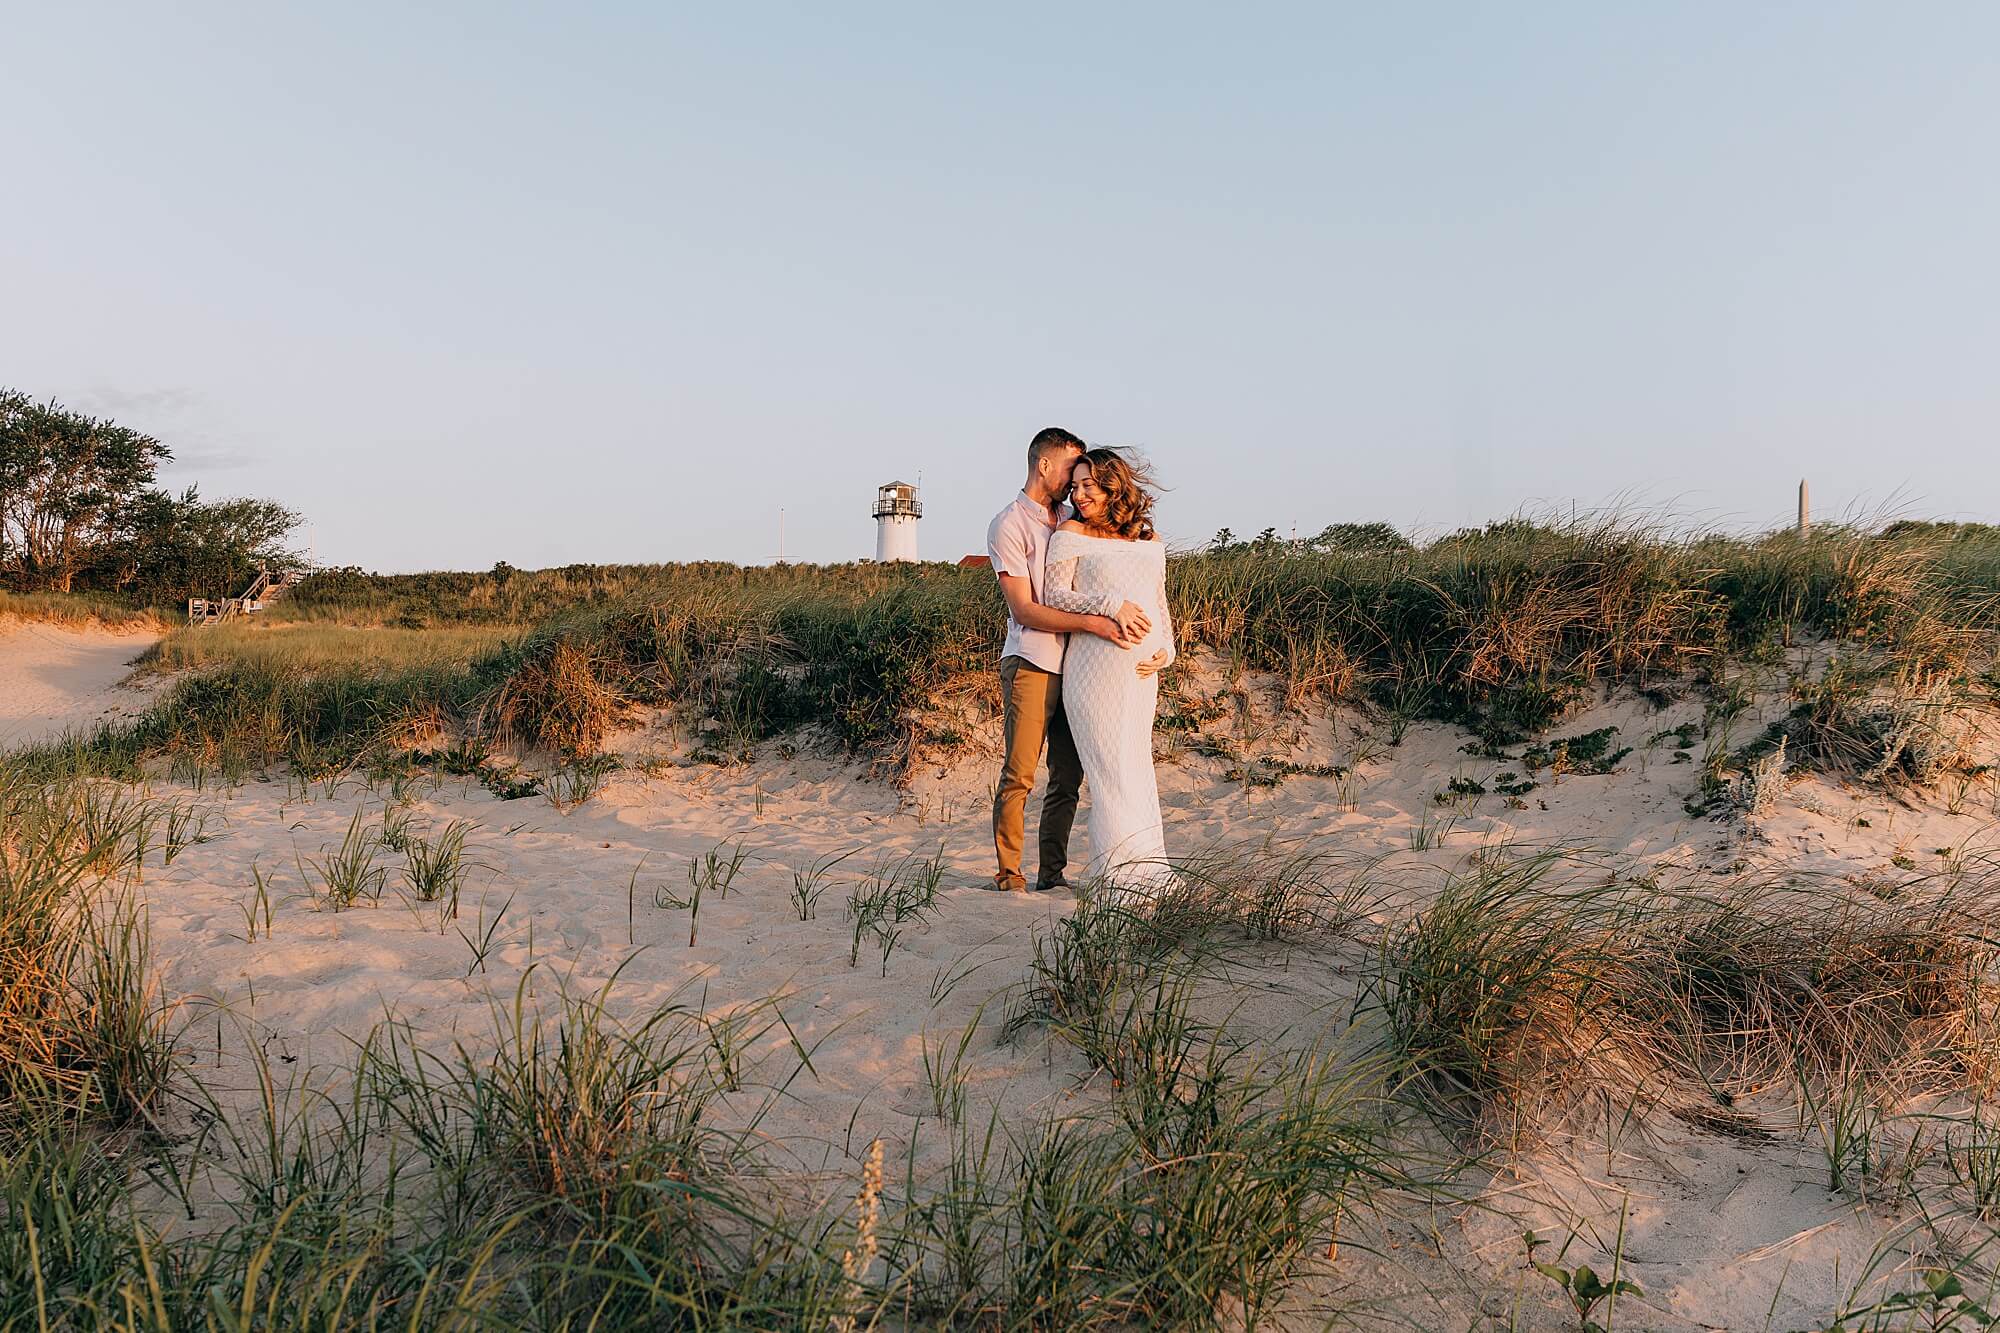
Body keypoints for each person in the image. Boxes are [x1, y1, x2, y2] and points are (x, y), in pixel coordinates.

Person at [985, 428, 1162, 893]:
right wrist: (1100, 621)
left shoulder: (1071, 515)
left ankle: (1052, 874)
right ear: (1045, 465)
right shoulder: (1009, 525)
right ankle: (1009, 873)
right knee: (1021, 771)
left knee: (1068, 777)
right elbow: (1026, 608)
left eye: (1086, 477)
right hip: (1034, 660)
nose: (1075, 482)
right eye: (1070, 469)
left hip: (1082, 667)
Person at [1040, 448, 1177, 894]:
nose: (1078, 495)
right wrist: (1110, 605)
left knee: (1137, 768)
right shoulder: (1071, 532)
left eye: (1088, 486)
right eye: (1075, 486)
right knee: (1110, 773)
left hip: (1141, 676)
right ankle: (1121, 878)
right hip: (1092, 673)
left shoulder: (1147, 540)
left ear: (1113, 486)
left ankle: (1147, 871)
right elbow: (1055, 595)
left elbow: (1159, 603)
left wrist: (1168, 648)